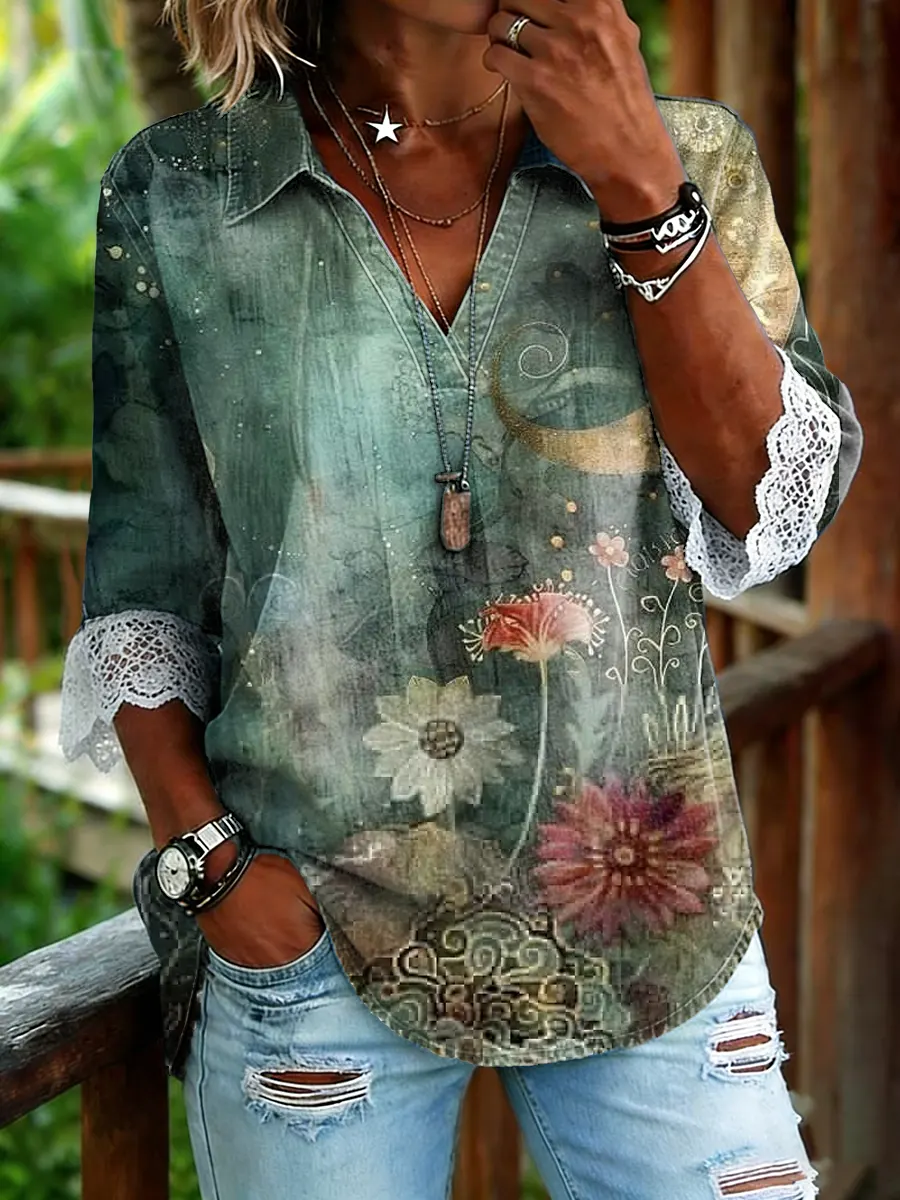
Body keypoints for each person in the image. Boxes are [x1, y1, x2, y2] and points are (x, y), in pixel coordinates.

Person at [59, 1, 862, 1196]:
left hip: (654, 917)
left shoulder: (691, 155)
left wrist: (641, 186)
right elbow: (145, 579)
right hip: (315, 931)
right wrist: (214, 870)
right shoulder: (184, 190)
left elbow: (767, 506)